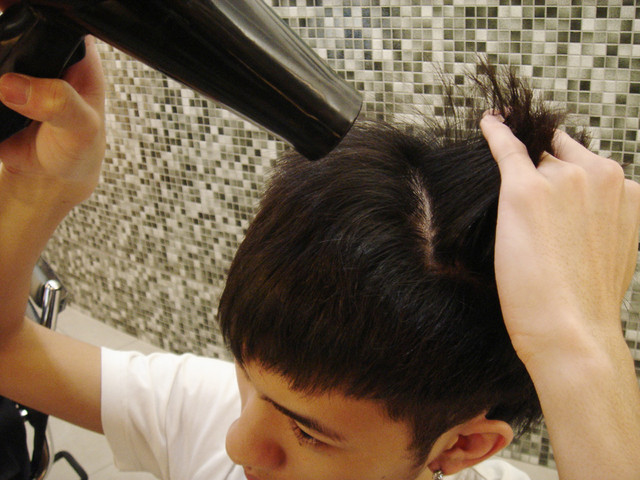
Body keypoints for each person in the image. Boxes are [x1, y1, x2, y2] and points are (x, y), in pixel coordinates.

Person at [0, 32, 638, 480]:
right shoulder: (207, 409)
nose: (238, 444)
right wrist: (37, 190)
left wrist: (580, 346)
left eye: (308, 433)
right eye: (246, 375)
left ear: (463, 446)